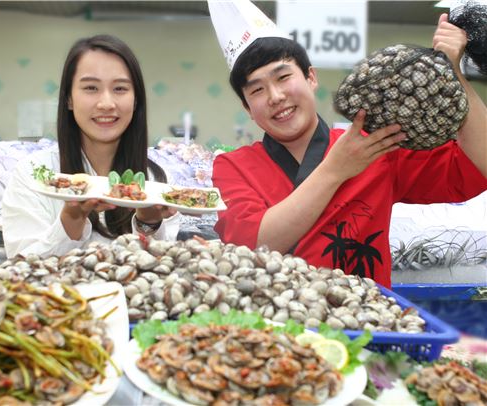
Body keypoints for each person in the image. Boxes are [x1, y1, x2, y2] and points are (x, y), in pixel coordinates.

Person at [208, 0, 487, 288]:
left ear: (310, 77)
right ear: (247, 109)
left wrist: (453, 76)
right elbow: (253, 245)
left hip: (369, 323)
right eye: (257, 89)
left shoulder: (375, 147)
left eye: (283, 77)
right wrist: (335, 170)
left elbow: (482, 162)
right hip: (277, 327)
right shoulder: (232, 167)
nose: (275, 96)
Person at [2, 35, 179, 258]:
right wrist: (70, 221)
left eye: (120, 89)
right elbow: (19, 269)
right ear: (68, 99)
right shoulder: (34, 175)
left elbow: (163, 270)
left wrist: (149, 222)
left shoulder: (156, 182)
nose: (106, 103)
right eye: (91, 88)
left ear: (136, 101)